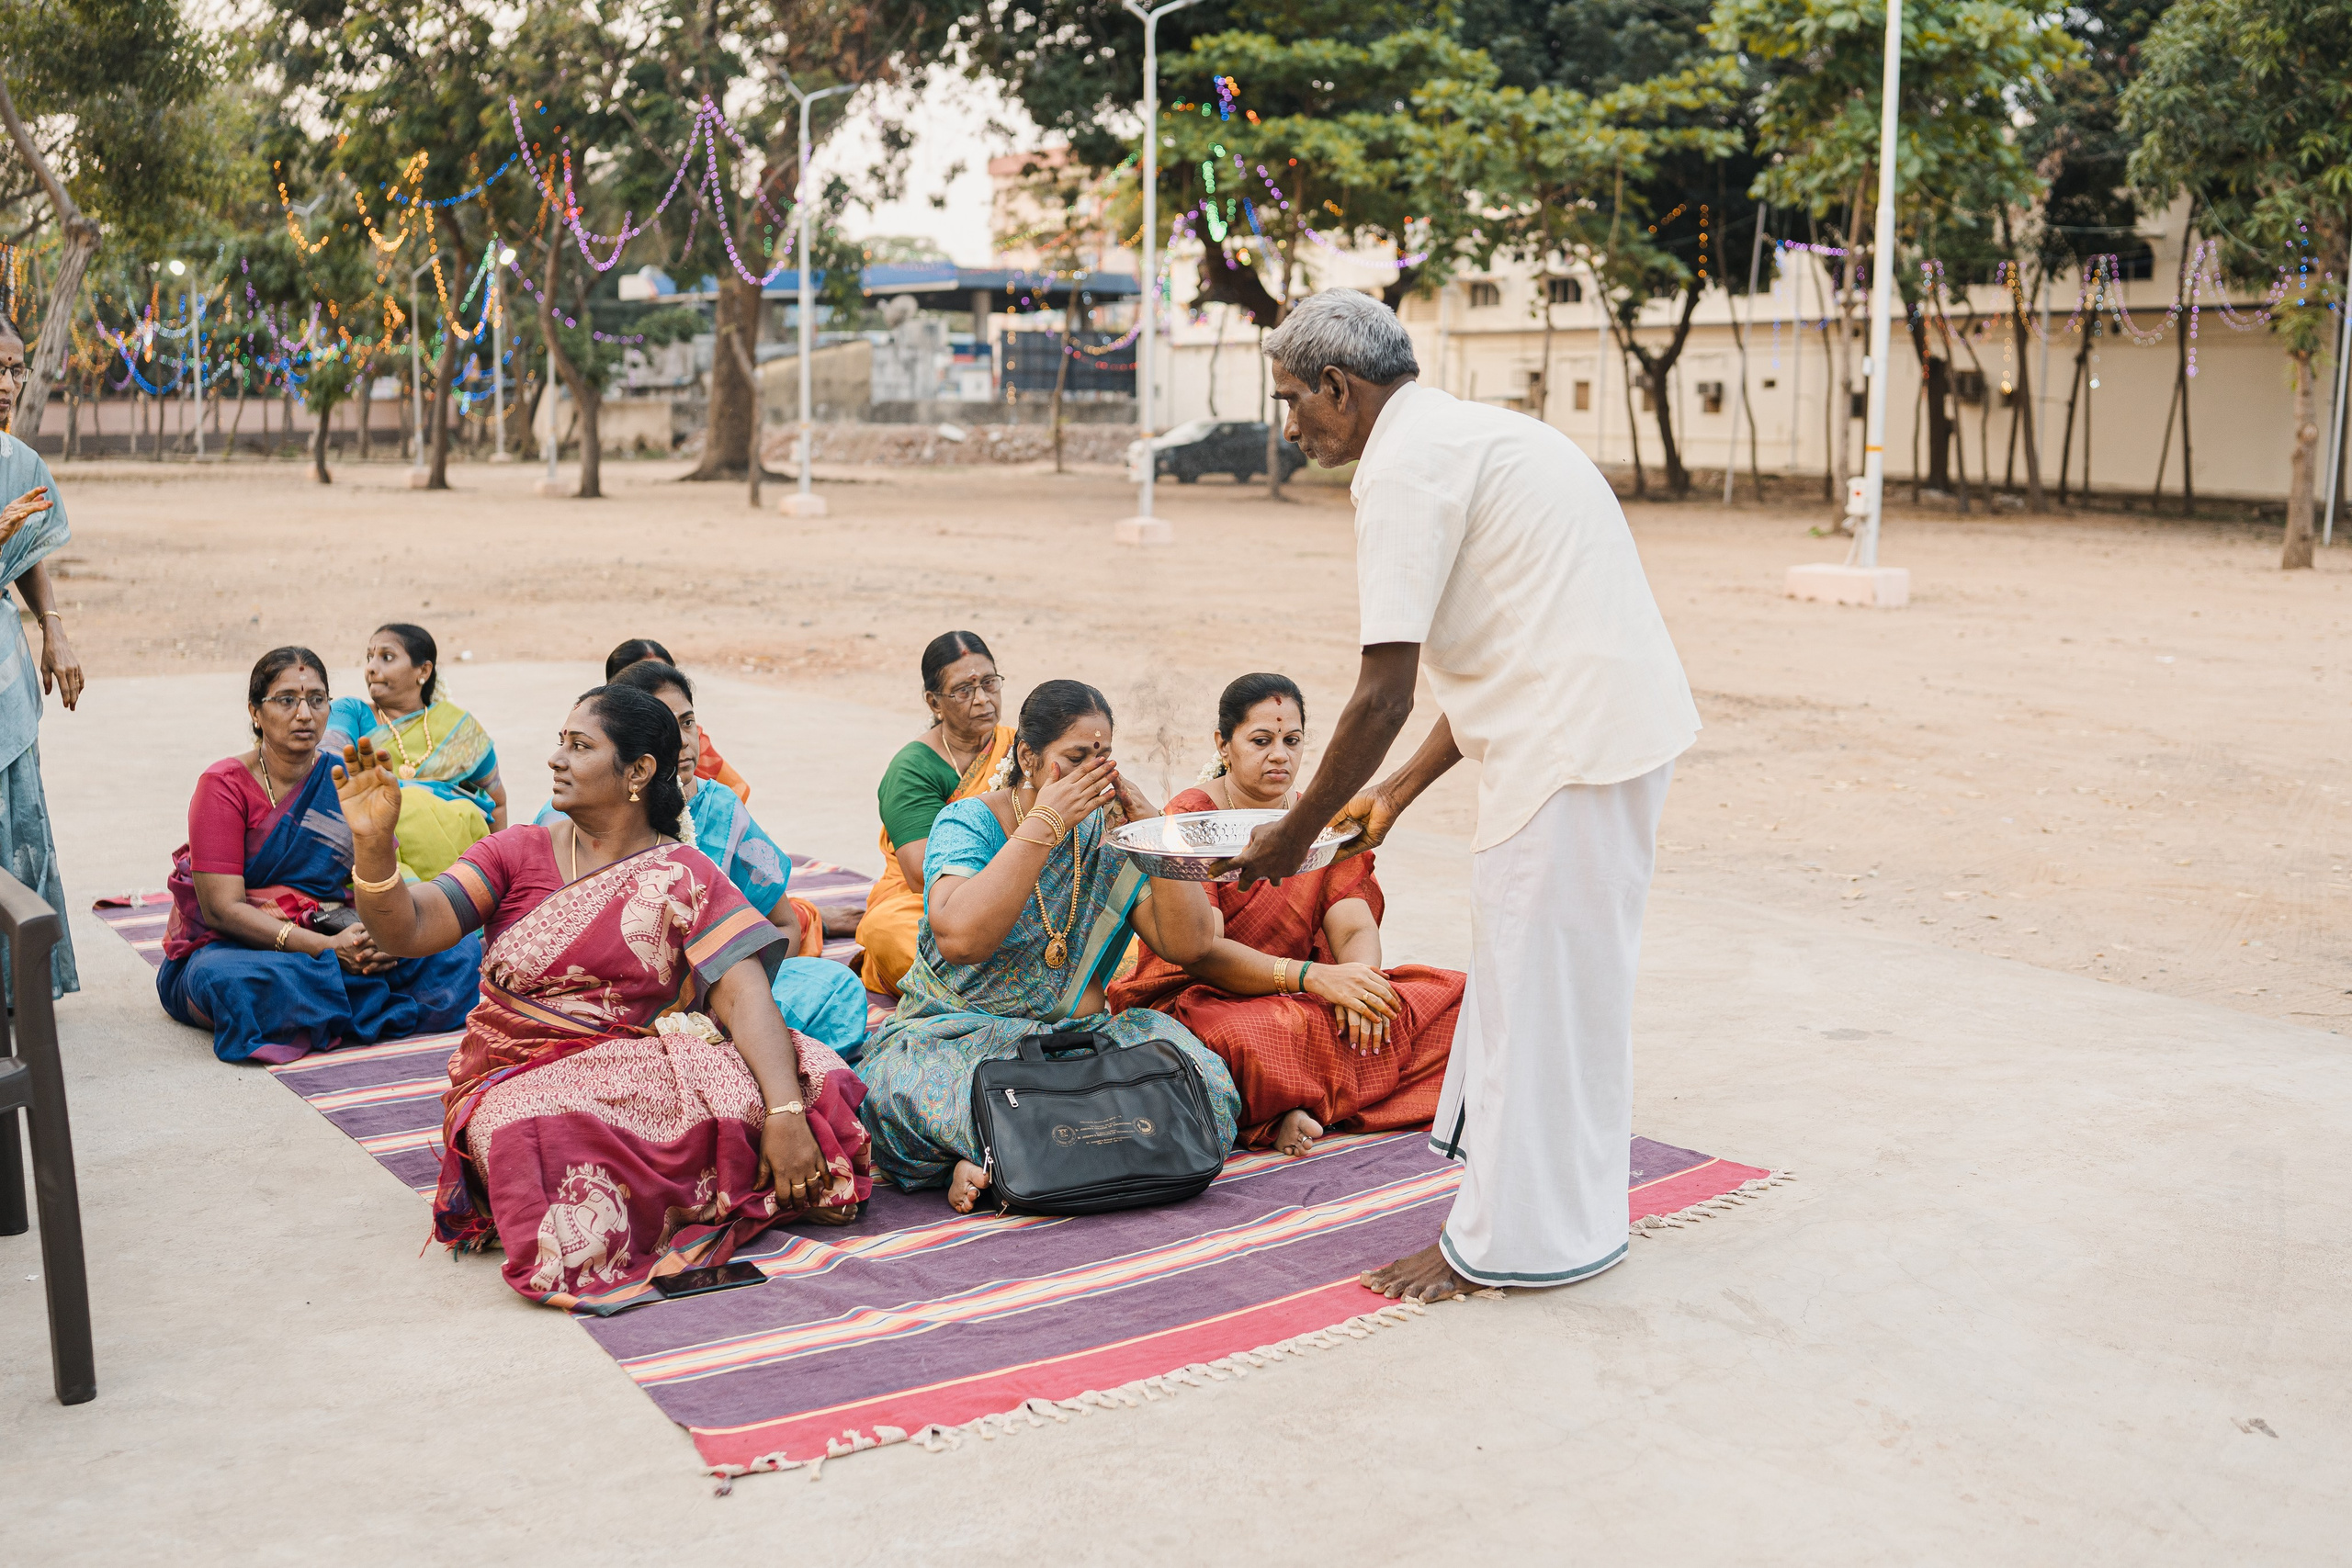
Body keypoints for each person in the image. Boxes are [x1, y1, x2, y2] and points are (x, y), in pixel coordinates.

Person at [1225, 289, 1700, 1303]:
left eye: (1291, 401)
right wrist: (1393, 793)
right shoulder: (1471, 433)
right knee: (1559, 989)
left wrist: (1289, 833)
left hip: (1570, 744)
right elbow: (1492, 648)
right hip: (1606, 730)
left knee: (1536, 995)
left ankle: (1499, 1248)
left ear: (1338, 389)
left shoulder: (1399, 468)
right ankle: (1562, 1214)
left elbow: (1385, 688)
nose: (1289, 423)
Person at [339, 682, 872, 1311]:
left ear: (639, 770)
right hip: (526, 1077)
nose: (555, 759)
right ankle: (723, 1182)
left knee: (817, 1074)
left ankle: (710, 1172)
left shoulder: (686, 871)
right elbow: (411, 927)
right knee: (524, 1132)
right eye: (559, 743)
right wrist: (375, 849)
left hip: (641, 1066)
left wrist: (783, 1111)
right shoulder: (517, 852)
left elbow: (742, 992)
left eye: (579, 745)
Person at [857, 679, 1241, 1213]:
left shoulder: (1110, 834)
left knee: (1205, 1083)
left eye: (1103, 756)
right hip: (965, 1039)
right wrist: (1045, 825)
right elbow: (961, 939)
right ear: (1029, 760)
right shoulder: (971, 821)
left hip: (1079, 1043)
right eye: (1075, 757)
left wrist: (1155, 834)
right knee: (894, 1091)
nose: (1092, 772)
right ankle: (1043, 1148)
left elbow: (1192, 942)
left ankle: (1008, 1154)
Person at [1108, 673, 1463, 1157]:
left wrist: (1359, 985)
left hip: (1309, 996)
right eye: (1262, 740)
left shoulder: (1319, 819)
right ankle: (1306, 1104)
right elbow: (1203, 951)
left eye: (1291, 740)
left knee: (1457, 1003)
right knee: (1241, 1040)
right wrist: (1313, 978)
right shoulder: (1191, 817)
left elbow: (1355, 924)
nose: (1280, 755)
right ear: (1223, 744)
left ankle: (1296, 1105)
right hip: (1211, 1001)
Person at [156, 648, 481, 1063]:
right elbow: (222, 910)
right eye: (287, 700)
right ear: (255, 712)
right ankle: (354, 998)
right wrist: (327, 950)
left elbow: (377, 881)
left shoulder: (344, 780)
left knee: (460, 954)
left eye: (316, 699)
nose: (305, 714)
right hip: (242, 943)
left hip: (330, 922)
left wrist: (386, 936)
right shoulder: (223, 784)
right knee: (228, 981)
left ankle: (321, 1006)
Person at [588, 660, 871, 1057]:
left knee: (833, 985)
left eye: (688, 723)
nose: (684, 742)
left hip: (722, 1007)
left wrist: (734, 996)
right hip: (611, 1013)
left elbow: (784, 926)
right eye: (665, 728)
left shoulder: (720, 810)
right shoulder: (587, 812)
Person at [853, 631, 1016, 998]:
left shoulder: (1020, 746)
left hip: (1019, 886)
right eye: (963, 690)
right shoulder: (912, 768)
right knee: (888, 932)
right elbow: (920, 871)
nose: (982, 699)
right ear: (934, 702)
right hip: (932, 900)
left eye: (989, 683)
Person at [0, 315, 84, 1002]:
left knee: (18, 812)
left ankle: (19, 981)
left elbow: (28, 556)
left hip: (4, 665)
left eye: (15, 370)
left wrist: (52, 628)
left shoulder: (17, 462)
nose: (7, 385)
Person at [322, 623, 506, 881]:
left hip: (459, 859)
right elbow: (328, 769)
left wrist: (503, 870)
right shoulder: (350, 712)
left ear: (423, 670)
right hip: (379, 853)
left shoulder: (458, 729)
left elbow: (497, 803)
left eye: (386, 657)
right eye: (369, 658)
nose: (371, 668)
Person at [606, 637, 749, 803]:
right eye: (642, 678)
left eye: (687, 723)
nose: (681, 741)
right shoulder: (599, 758)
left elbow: (734, 792)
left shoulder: (716, 805)